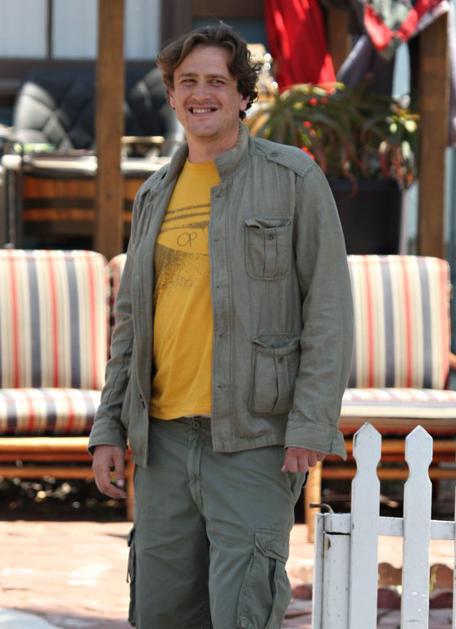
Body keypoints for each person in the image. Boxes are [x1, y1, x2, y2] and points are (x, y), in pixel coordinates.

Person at [88, 22, 353, 629]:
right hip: (162, 440)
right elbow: (130, 326)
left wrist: (311, 421)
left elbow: (329, 309)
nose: (200, 94)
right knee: (160, 611)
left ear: (242, 95)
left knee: (243, 610)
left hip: (255, 439)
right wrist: (109, 426)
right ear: (171, 94)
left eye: (216, 81)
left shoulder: (294, 178)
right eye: (187, 82)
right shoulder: (153, 193)